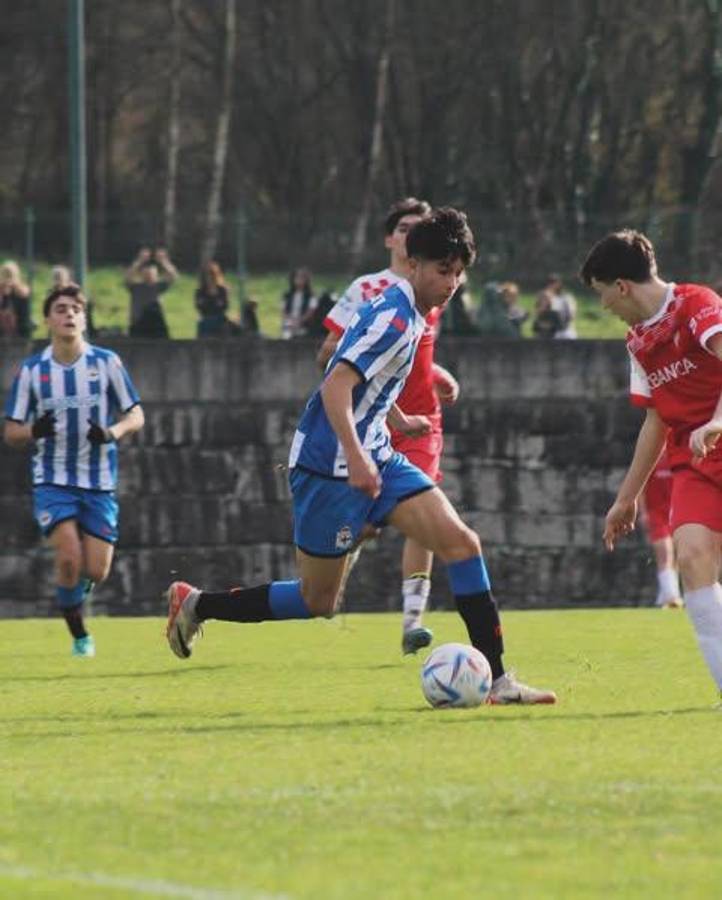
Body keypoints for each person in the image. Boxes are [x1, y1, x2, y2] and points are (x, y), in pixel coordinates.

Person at [165, 208, 556, 705]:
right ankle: (198, 603)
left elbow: (361, 369)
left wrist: (393, 422)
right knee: (318, 600)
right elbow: (336, 384)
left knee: (462, 544)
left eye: (459, 272)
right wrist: (356, 455)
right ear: (413, 264)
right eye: (443, 270)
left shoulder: (411, 311)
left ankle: (499, 682)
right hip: (328, 467)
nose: (453, 282)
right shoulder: (393, 317)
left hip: (375, 451)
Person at [580, 228, 722, 698]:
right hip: (694, 461)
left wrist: (717, 420)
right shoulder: (638, 341)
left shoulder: (696, 304)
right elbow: (656, 422)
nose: (604, 306)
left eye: (603, 295)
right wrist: (626, 498)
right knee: (692, 555)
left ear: (621, 286)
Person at [318, 196, 456, 654]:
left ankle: (412, 620)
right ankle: (338, 565)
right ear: (391, 238)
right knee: (366, 523)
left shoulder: (436, 285)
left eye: (421, 225)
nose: (412, 232)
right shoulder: (368, 290)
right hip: (373, 419)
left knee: (426, 518)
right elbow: (332, 353)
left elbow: (416, 357)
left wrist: (437, 376)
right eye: (405, 226)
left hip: (421, 423)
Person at [3, 283, 144, 656]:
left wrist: (112, 432)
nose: (69, 314)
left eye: (75, 309)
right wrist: (35, 430)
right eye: (61, 309)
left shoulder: (106, 363)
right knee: (68, 557)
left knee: (96, 571)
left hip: (98, 481)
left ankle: (77, 585)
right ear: (48, 319)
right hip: (52, 480)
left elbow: (136, 414)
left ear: (84, 318)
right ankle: (80, 635)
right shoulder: (33, 371)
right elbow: (11, 431)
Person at [640, 445, 683, 608]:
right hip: (656, 515)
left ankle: (665, 595)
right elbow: (640, 488)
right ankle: (672, 596)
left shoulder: (677, 460)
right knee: (665, 553)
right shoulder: (651, 461)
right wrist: (643, 513)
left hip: (676, 513)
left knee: (677, 557)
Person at [124, 247, 177, 338]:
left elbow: (173, 277)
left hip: (156, 325)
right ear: (141, 275)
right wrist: (140, 261)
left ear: (156, 276)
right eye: (146, 274)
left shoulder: (158, 287)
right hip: (138, 323)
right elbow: (127, 277)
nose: (149, 276)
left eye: (151, 274)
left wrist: (163, 261)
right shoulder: (136, 287)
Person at [195, 260, 231, 337]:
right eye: (207, 276)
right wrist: (215, 303)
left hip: (220, 318)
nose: (209, 278)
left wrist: (208, 303)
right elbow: (200, 307)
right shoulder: (200, 291)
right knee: (204, 323)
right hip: (206, 318)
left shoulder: (222, 290)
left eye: (211, 275)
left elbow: (225, 306)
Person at [281, 268, 318, 339]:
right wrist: (290, 320)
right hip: (289, 323)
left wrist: (299, 321)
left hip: (304, 325)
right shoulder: (287, 295)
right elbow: (283, 311)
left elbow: (311, 312)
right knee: (287, 335)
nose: (299, 280)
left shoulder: (311, 296)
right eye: (297, 277)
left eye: (302, 278)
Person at [0, 260, 32, 338]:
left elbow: (24, 320)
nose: (7, 280)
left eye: (9, 276)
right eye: (5, 275)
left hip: (18, 337)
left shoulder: (21, 293)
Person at [546, 274, 578, 339]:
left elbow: (572, 314)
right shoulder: (551, 298)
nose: (551, 286)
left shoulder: (567, 297)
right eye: (550, 284)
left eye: (553, 283)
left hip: (567, 331)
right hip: (557, 332)